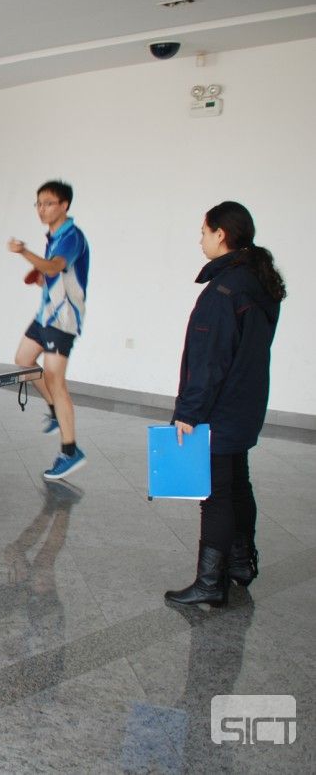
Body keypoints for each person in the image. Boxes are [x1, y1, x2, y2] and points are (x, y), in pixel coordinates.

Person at [164, 201, 285, 607]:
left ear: (221, 234)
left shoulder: (223, 291)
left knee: (215, 494)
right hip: (247, 403)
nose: (200, 239)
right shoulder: (258, 282)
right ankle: (240, 564)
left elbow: (209, 361)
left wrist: (189, 412)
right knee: (238, 484)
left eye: (204, 231)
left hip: (220, 408)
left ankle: (210, 583)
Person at [8, 179, 90, 480]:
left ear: (64, 205)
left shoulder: (71, 237)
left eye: (48, 203)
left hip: (63, 320)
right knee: (23, 360)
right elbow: (55, 272)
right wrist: (43, 276)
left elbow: (55, 266)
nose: (42, 209)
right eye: (39, 204)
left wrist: (23, 252)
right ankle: (55, 410)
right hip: (46, 315)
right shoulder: (54, 236)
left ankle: (70, 451)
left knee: (56, 381)